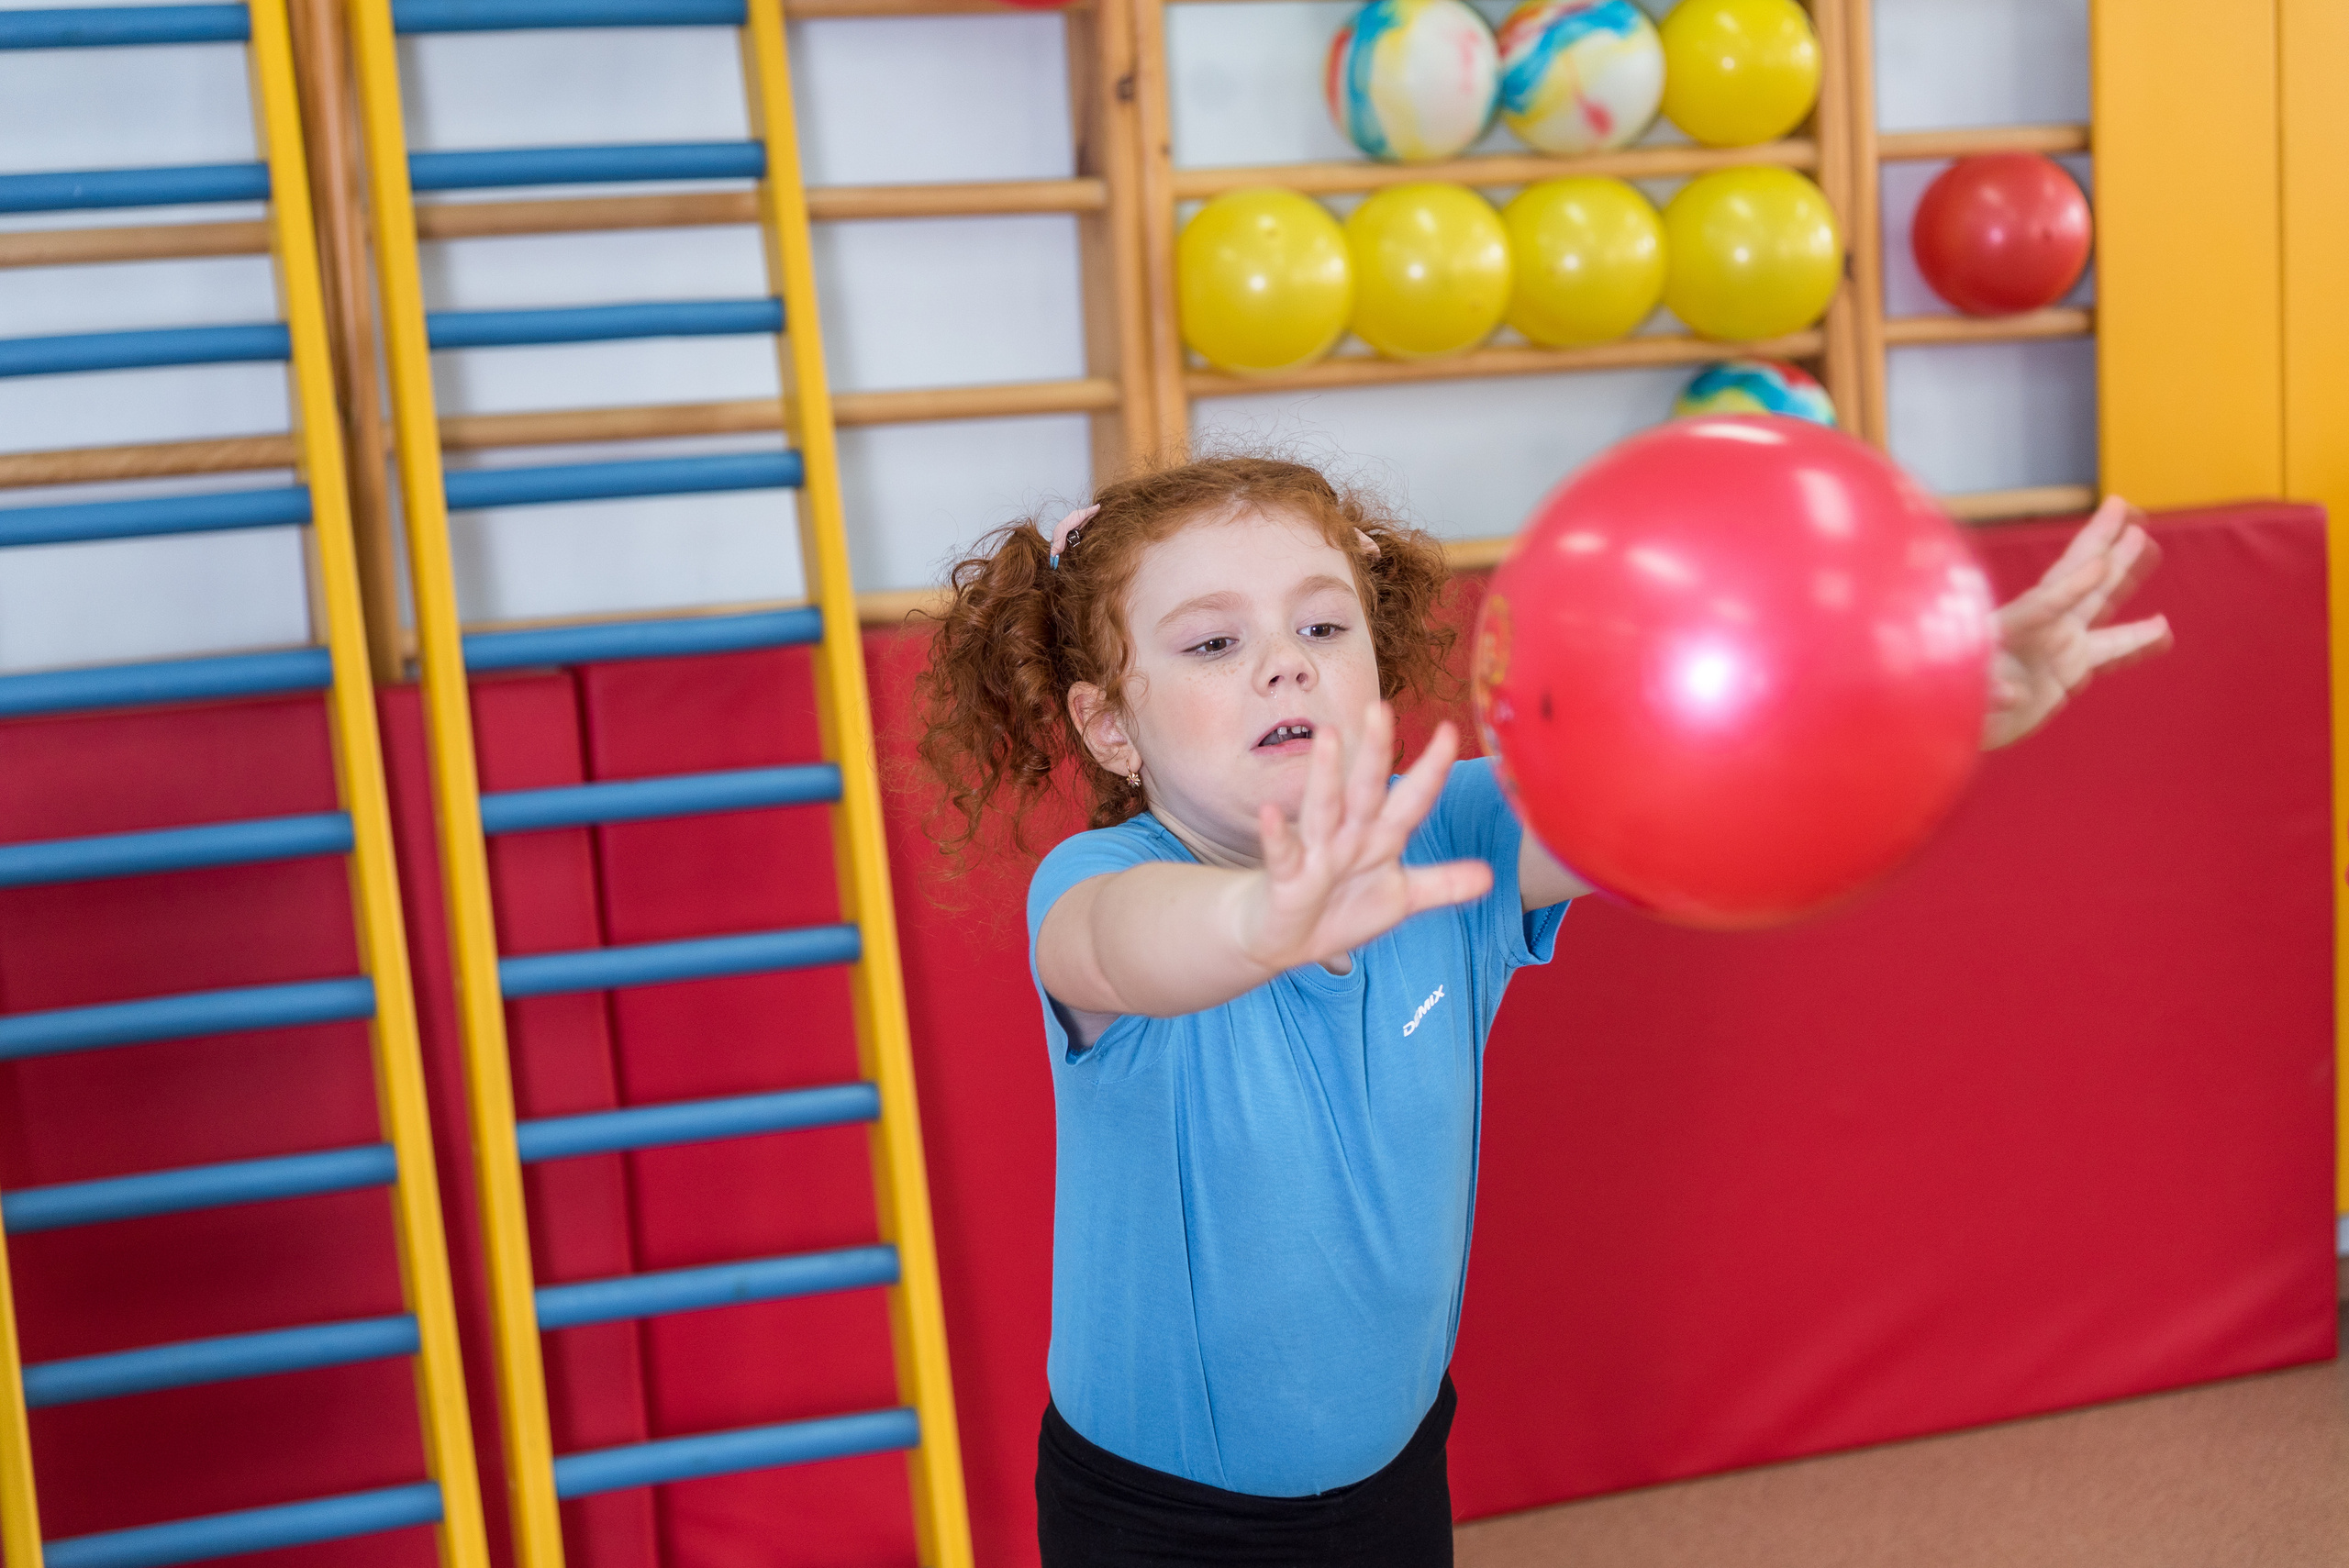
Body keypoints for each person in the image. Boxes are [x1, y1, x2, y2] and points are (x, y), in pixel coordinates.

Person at [913, 455, 2172, 1566]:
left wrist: (1922, 700)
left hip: (1396, 1466)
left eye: (1322, 625)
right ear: (1111, 728)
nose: (1284, 661)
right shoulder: (1098, 881)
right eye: (1211, 645)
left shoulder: (1449, 828)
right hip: (1162, 1520)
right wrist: (1256, 920)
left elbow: (1681, 781)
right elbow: (1121, 949)